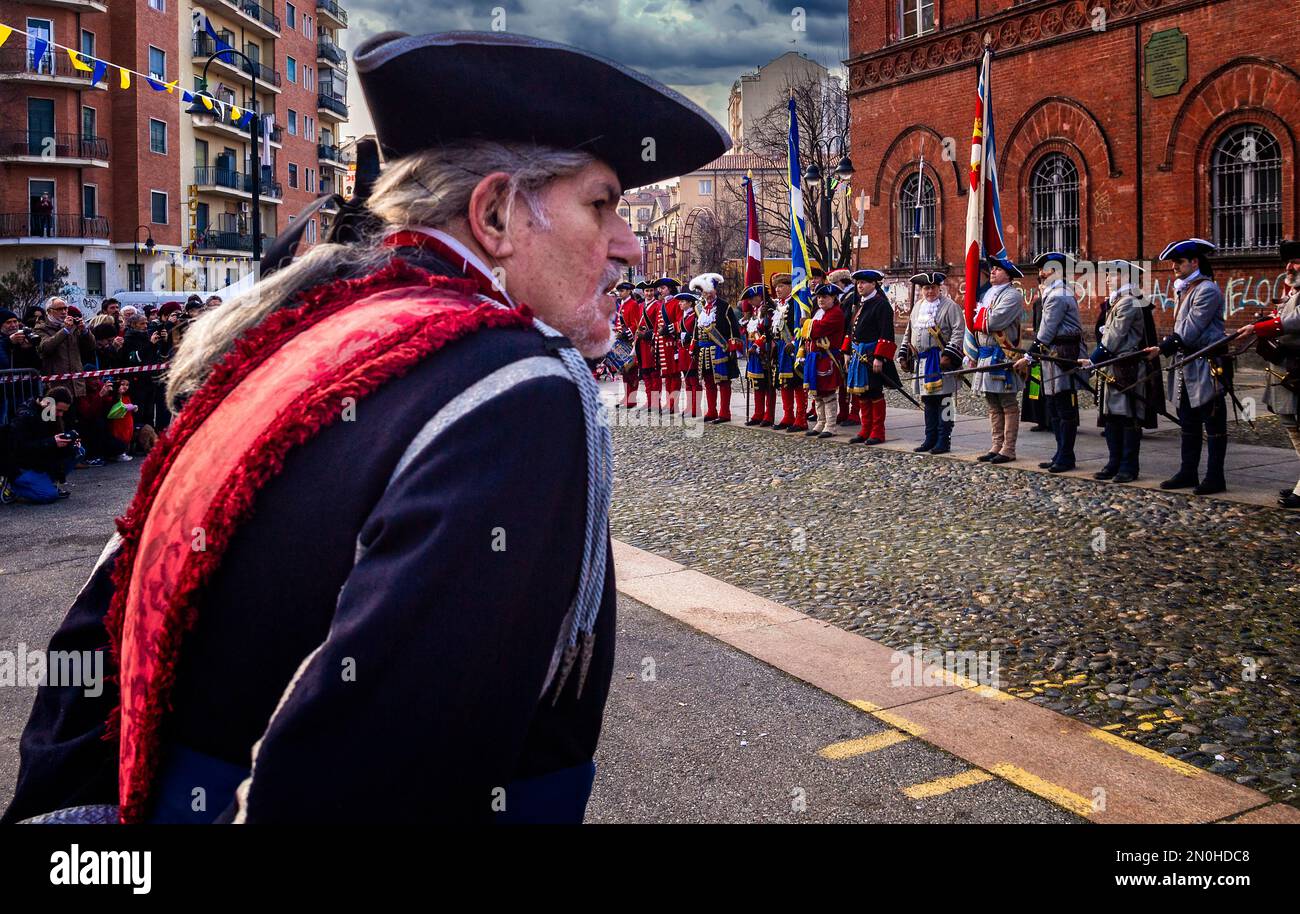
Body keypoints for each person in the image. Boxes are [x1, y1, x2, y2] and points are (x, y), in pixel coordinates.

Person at [3, 28, 729, 825]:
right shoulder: (516, 387)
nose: (626, 244)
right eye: (600, 204)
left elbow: (92, 639)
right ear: (493, 213)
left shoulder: (292, 340)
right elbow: (374, 781)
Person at [1149, 238, 1230, 495]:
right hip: (1187, 364)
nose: (1174, 266)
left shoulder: (1206, 289)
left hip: (1207, 366)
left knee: (1213, 421)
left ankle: (1216, 477)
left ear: (1195, 262)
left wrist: (1163, 348)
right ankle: (1188, 471)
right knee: (1188, 421)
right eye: (1173, 262)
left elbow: (1190, 329)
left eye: (1179, 262)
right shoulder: (1185, 289)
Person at [1081, 260, 1158, 482]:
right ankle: (1113, 462)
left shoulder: (1129, 303)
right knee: (1111, 418)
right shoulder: (1119, 301)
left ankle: (1128, 466)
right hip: (1113, 366)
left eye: (1112, 275)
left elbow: (1113, 338)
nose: (1107, 279)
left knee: (1128, 418)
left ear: (1125, 278)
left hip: (1128, 368)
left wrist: (1092, 361)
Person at [1017, 252, 1087, 473]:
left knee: (1063, 408)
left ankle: (1066, 456)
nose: (1040, 274)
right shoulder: (1056, 292)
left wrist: (1028, 356)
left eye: (1045, 270)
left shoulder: (1058, 295)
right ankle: (1061, 453)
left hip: (1061, 355)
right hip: (1052, 355)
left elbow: (1046, 331)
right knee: (1054, 407)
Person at [1247, 239, 1300, 508]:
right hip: (1287, 370)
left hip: (1297, 370)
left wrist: (1267, 326)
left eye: (1296, 261)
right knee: (1292, 427)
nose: (1290, 267)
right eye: (1288, 263)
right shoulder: (1292, 292)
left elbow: (1295, 320)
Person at [899, 272, 964, 453]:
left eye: (933, 287)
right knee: (928, 401)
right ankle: (930, 437)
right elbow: (908, 332)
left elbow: (958, 332)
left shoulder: (950, 307)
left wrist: (949, 355)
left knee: (945, 400)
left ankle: (944, 439)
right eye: (926, 288)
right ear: (921, 290)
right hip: (923, 361)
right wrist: (904, 354)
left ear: (939, 288)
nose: (930, 291)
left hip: (942, 360)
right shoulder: (917, 307)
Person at [970, 256, 1026, 464]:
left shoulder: (1012, 296)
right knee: (992, 403)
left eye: (997, 270)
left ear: (1008, 275)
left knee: (1007, 402)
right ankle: (996, 445)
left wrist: (978, 316)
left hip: (1003, 354)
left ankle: (1008, 448)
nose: (992, 272)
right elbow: (977, 321)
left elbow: (992, 321)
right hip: (986, 353)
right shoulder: (989, 295)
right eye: (992, 269)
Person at [843, 269, 898, 445]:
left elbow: (886, 333)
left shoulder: (881, 305)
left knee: (874, 392)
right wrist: (846, 352)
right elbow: (850, 330)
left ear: (874, 284)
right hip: (858, 354)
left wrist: (879, 357)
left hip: (871, 355)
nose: (860, 286)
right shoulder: (860, 304)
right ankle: (865, 429)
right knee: (862, 394)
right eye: (858, 283)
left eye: (864, 283)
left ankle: (877, 431)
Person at [11, 386, 80, 499]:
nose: (61, 414)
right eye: (59, 410)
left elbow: (49, 442)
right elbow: (20, 448)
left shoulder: (48, 411)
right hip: (21, 464)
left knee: (77, 450)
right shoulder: (26, 415)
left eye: (63, 411)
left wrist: (68, 442)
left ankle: (48, 482)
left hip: (38, 460)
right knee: (48, 495)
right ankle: (14, 488)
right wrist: (52, 442)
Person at [688, 273, 739, 423]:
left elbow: (733, 328)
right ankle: (711, 411)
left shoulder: (725, 306)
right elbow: (696, 328)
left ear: (715, 291)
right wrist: (693, 344)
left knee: (723, 381)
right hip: (703, 351)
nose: (707, 295)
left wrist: (732, 346)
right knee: (708, 381)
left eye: (710, 292)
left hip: (719, 349)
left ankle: (724, 413)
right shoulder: (699, 308)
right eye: (704, 292)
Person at [805, 283, 846, 438]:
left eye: (825, 297)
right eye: (819, 297)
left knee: (828, 394)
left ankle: (830, 425)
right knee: (817, 394)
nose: (821, 300)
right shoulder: (819, 312)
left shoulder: (835, 313)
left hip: (827, 358)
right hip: (815, 358)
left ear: (833, 298)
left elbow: (816, 330)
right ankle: (820, 423)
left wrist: (806, 323)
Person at [34, 297, 93, 398]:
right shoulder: (41, 328)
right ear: (49, 311)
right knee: (56, 413)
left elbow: (91, 347)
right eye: (59, 309)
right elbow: (45, 347)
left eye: (65, 309)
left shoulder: (73, 327)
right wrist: (65, 330)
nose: (64, 312)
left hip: (76, 384)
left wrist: (84, 332)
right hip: (55, 385)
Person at [770, 273, 806, 432]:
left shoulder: (796, 303)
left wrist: (794, 343)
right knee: (784, 383)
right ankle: (788, 415)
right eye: (776, 286)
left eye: (781, 286)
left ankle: (801, 418)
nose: (778, 289)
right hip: (780, 349)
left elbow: (801, 326)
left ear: (790, 286)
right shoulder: (777, 305)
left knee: (797, 382)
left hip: (793, 348)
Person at [648, 277, 686, 413]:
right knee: (667, 375)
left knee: (674, 375)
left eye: (663, 288)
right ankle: (669, 402)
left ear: (670, 289)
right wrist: (654, 341)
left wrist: (668, 329)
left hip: (672, 343)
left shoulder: (676, 303)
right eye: (660, 288)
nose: (660, 291)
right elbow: (656, 326)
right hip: (661, 343)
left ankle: (673, 404)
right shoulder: (661, 304)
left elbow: (681, 322)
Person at [741, 284, 775, 426]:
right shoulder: (755, 311)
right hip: (754, 353)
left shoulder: (768, 311)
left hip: (765, 352)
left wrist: (757, 345)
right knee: (756, 385)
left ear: (759, 297)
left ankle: (769, 415)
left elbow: (769, 332)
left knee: (767, 385)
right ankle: (758, 413)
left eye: (751, 299)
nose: (749, 302)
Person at [612, 281, 641, 409]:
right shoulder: (622, 304)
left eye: (622, 290)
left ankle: (632, 398)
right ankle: (627, 396)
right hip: (622, 341)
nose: (620, 293)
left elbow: (635, 324)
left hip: (630, 341)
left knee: (632, 370)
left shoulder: (633, 304)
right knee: (625, 370)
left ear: (629, 291)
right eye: (619, 291)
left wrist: (626, 333)